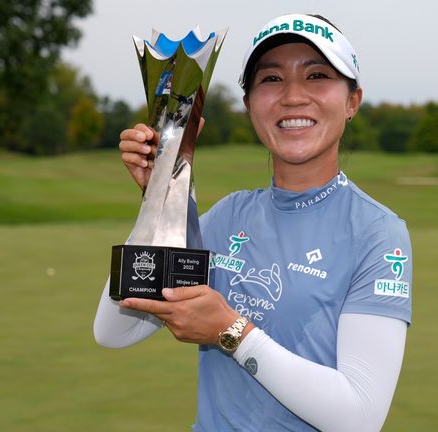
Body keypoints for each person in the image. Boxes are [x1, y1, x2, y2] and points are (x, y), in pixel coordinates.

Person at [94, 13, 412, 431]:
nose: (293, 96)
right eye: (271, 79)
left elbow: (358, 417)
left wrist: (232, 331)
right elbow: (114, 330)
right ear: (249, 105)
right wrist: (160, 198)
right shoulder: (229, 215)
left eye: (317, 75)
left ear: (352, 101)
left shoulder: (377, 233)